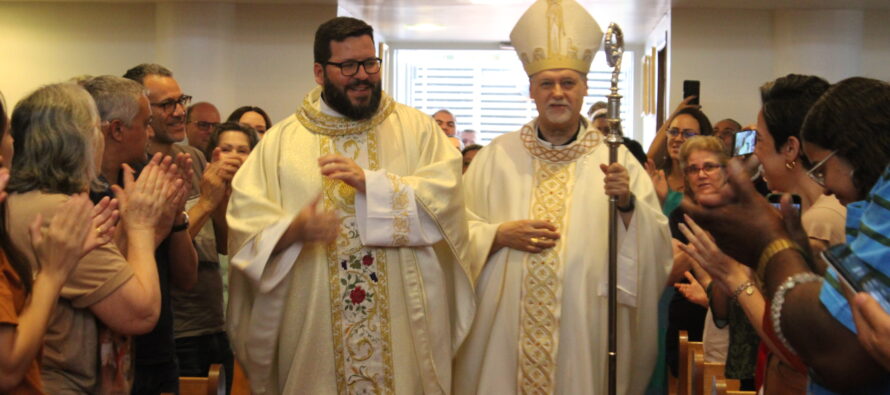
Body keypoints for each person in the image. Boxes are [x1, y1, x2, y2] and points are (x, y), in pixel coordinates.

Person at [225, 16, 474, 394]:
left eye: (370, 63)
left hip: (402, 328)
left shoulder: (417, 129)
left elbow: (447, 202)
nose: (363, 75)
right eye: (347, 66)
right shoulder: (280, 143)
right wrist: (293, 230)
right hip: (314, 329)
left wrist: (373, 185)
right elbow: (244, 227)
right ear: (319, 72)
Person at [454, 1, 672, 393]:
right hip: (504, 333)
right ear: (532, 91)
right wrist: (498, 234)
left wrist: (626, 206)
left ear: (584, 89)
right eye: (546, 83)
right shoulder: (495, 157)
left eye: (568, 83)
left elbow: (655, 247)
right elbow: (453, 235)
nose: (557, 93)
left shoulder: (616, 158)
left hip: (584, 328)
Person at [682, 77, 890, 393]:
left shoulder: (832, 214)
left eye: (759, 142)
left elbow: (835, 348)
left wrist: (770, 247)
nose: (756, 155)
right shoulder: (863, 202)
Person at [5, 82, 174, 393]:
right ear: (78, 141)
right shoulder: (58, 213)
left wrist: (149, 231)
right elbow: (141, 313)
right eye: (96, 130)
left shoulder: (21, 202)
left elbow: (102, 286)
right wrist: (139, 227)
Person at [123, 63, 203, 395]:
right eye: (167, 104)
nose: (179, 111)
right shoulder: (124, 177)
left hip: (161, 346)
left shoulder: (188, 162)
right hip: (125, 349)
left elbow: (186, 278)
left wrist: (178, 214)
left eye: (180, 100)